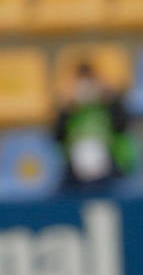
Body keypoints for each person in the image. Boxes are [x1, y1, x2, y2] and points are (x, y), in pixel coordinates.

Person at [53, 57, 136, 192]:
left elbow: (123, 127)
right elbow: (57, 136)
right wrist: (67, 108)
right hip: (75, 165)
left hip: (107, 161)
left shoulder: (107, 105)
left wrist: (109, 99)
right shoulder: (70, 109)